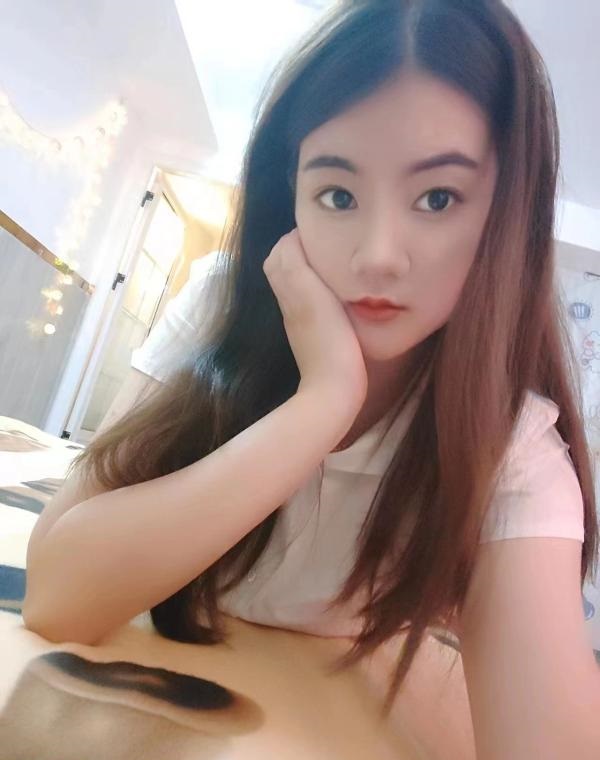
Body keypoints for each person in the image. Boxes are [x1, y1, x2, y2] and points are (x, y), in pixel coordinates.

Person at [23, 1, 600, 757]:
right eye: (338, 195)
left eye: (438, 198)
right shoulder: (219, 304)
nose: (379, 254)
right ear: (289, 196)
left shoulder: (511, 447)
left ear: (505, 216)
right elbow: (57, 599)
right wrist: (322, 404)